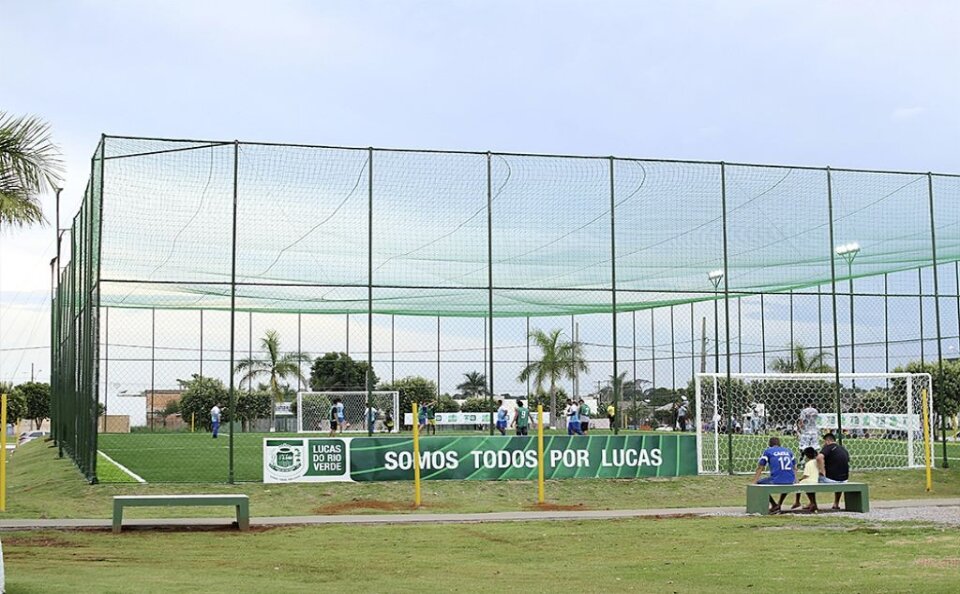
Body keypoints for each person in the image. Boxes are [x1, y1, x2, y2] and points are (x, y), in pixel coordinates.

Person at [751, 437, 796, 513]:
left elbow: (760, 467)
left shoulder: (768, 451)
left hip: (776, 479)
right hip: (790, 479)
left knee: (759, 485)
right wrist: (795, 479)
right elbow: (795, 467)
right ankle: (779, 503)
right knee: (786, 481)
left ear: (769, 444)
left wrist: (754, 481)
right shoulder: (788, 451)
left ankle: (774, 504)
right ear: (779, 444)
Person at [817, 432, 850, 510]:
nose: (823, 444)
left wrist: (822, 471)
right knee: (838, 476)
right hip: (844, 480)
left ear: (828, 441)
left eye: (824, 442)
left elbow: (819, 458)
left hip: (831, 480)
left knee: (810, 479)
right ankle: (836, 503)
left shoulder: (828, 447)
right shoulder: (843, 449)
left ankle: (812, 503)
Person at [791, 447, 820, 512]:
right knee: (809, 488)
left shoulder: (808, 464)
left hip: (809, 481)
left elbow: (806, 475)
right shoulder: (816, 462)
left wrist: (800, 479)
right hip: (816, 480)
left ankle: (797, 501)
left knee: (798, 484)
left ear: (806, 456)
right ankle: (813, 503)